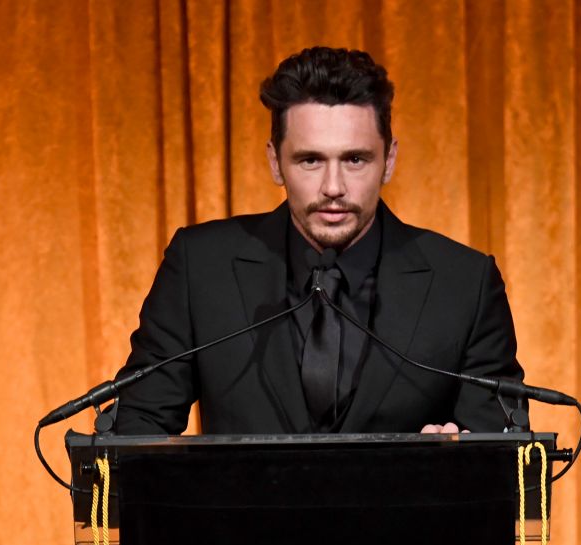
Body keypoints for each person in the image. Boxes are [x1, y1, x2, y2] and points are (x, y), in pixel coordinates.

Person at [114, 46, 524, 436]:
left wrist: (457, 459)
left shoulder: (465, 283)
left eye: (355, 159)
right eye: (310, 160)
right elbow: (137, 426)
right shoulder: (201, 267)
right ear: (275, 161)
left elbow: (506, 452)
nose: (333, 187)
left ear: (390, 160)